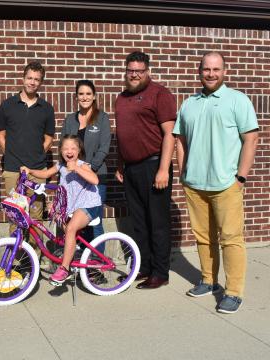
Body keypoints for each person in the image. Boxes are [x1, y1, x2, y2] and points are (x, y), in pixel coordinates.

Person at [174, 51, 258, 314]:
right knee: (203, 237)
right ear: (199, 71)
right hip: (195, 184)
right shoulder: (189, 104)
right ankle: (209, 280)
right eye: (206, 69)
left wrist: (240, 177)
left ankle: (233, 292)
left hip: (226, 184)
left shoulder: (238, 100)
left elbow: (251, 139)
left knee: (231, 238)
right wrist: (183, 172)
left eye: (216, 69)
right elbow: (180, 140)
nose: (211, 73)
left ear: (224, 71)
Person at [115, 51, 176, 290]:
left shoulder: (160, 94)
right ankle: (145, 266)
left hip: (154, 165)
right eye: (131, 71)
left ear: (147, 71)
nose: (134, 75)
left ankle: (160, 272)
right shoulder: (121, 98)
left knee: (157, 221)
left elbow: (170, 133)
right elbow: (123, 133)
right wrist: (120, 162)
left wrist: (164, 169)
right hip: (131, 169)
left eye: (139, 71)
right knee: (139, 221)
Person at [21, 135, 101, 285]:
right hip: (74, 206)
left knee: (70, 228)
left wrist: (76, 168)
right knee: (57, 216)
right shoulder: (60, 166)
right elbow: (45, 174)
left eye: (73, 148)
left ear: (79, 150)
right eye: (65, 148)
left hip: (89, 204)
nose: (69, 151)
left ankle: (64, 268)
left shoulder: (83, 165)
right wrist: (29, 170)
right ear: (61, 151)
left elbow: (95, 180)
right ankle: (74, 249)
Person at [0, 61, 55, 244]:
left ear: (41, 82)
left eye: (37, 79)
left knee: (36, 219)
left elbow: (48, 139)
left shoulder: (46, 108)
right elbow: (1, 135)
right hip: (13, 170)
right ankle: (16, 264)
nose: (32, 82)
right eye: (29, 78)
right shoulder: (7, 105)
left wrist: (36, 155)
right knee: (16, 217)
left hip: (37, 171)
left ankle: (34, 262)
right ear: (23, 78)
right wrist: (13, 155)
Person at [61, 80, 110, 242]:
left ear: (94, 96)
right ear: (76, 97)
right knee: (74, 219)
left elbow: (104, 147)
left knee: (94, 222)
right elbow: (64, 147)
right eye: (81, 94)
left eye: (88, 94)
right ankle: (80, 260)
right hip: (74, 180)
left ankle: (96, 262)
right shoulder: (70, 120)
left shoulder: (102, 118)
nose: (85, 97)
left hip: (95, 177)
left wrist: (90, 165)